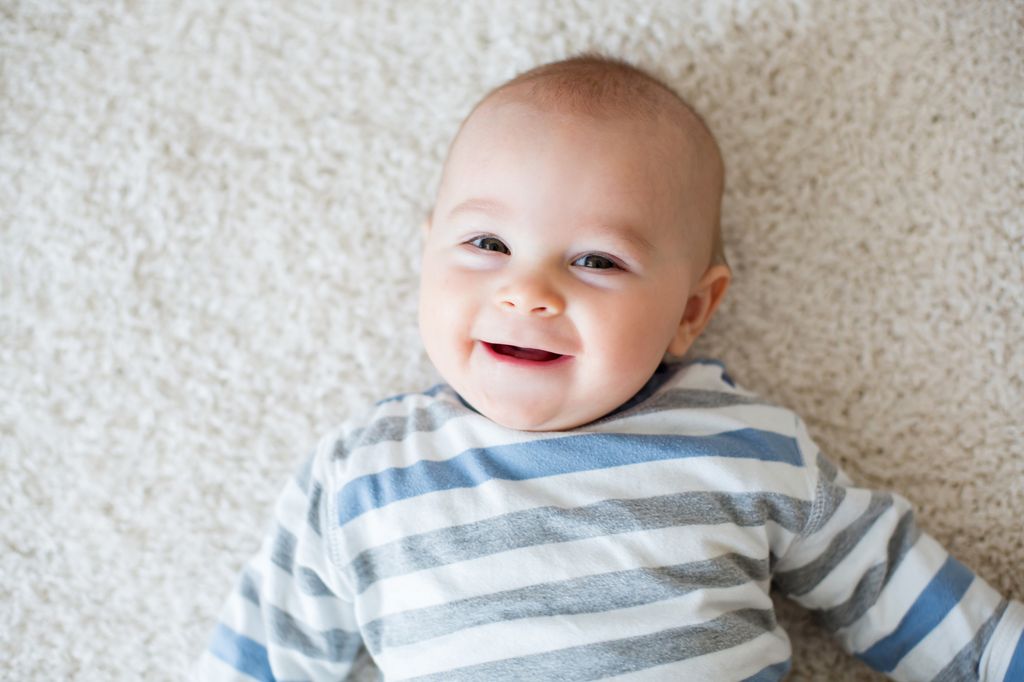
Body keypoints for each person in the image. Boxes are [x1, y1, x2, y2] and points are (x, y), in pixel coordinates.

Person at [197, 54, 1024, 681]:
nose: (528, 292)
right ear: (426, 255)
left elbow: (895, 588)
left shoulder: (744, 446)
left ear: (691, 312)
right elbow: (263, 654)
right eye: (486, 245)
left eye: (596, 260)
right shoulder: (364, 474)